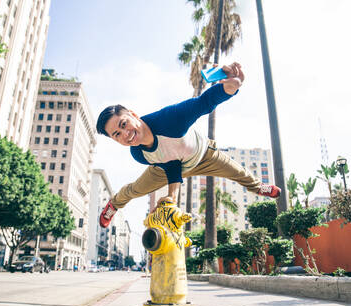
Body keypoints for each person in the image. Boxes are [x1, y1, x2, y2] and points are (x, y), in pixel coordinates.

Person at [96, 62, 281, 228]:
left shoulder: (171, 118)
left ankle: (258, 187)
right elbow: (172, 164)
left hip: (204, 156)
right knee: (135, 189)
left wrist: (229, 89)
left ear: (133, 114)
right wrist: (172, 197)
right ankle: (113, 205)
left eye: (123, 124)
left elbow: (204, 103)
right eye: (117, 135)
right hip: (166, 167)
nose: (126, 134)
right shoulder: (138, 154)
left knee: (238, 172)